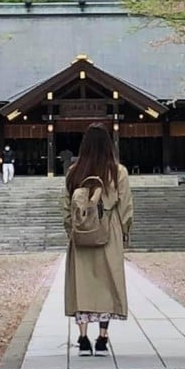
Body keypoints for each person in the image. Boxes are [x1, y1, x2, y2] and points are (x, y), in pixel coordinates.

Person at [62, 124, 133, 356]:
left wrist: (73, 228)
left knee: (82, 284)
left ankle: (82, 338)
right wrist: (124, 231)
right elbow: (126, 207)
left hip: (81, 231)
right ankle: (102, 337)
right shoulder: (117, 171)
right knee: (107, 282)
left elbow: (65, 206)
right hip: (108, 228)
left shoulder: (74, 172)